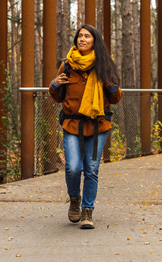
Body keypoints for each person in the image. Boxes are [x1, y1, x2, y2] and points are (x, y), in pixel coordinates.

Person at [49, 24, 122, 229]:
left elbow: (115, 98)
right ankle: (74, 199)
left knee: (91, 169)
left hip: (98, 125)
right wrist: (55, 84)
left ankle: (87, 210)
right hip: (72, 123)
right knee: (73, 167)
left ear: (94, 41)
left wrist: (112, 86)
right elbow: (57, 96)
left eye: (87, 36)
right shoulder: (67, 66)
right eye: (79, 36)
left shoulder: (104, 66)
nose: (82, 39)